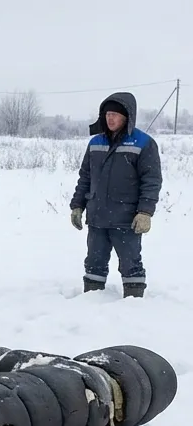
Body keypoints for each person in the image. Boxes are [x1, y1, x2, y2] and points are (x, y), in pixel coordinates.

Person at [69, 91, 162, 297]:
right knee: (94, 263)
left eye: (115, 114)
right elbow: (85, 178)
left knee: (131, 264)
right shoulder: (95, 143)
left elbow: (151, 181)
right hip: (97, 217)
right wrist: (77, 206)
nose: (110, 118)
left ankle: (134, 305)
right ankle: (90, 303)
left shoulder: (143, 143)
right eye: (107, 114)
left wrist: (145, 212)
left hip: (127, 219)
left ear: (127, 116)